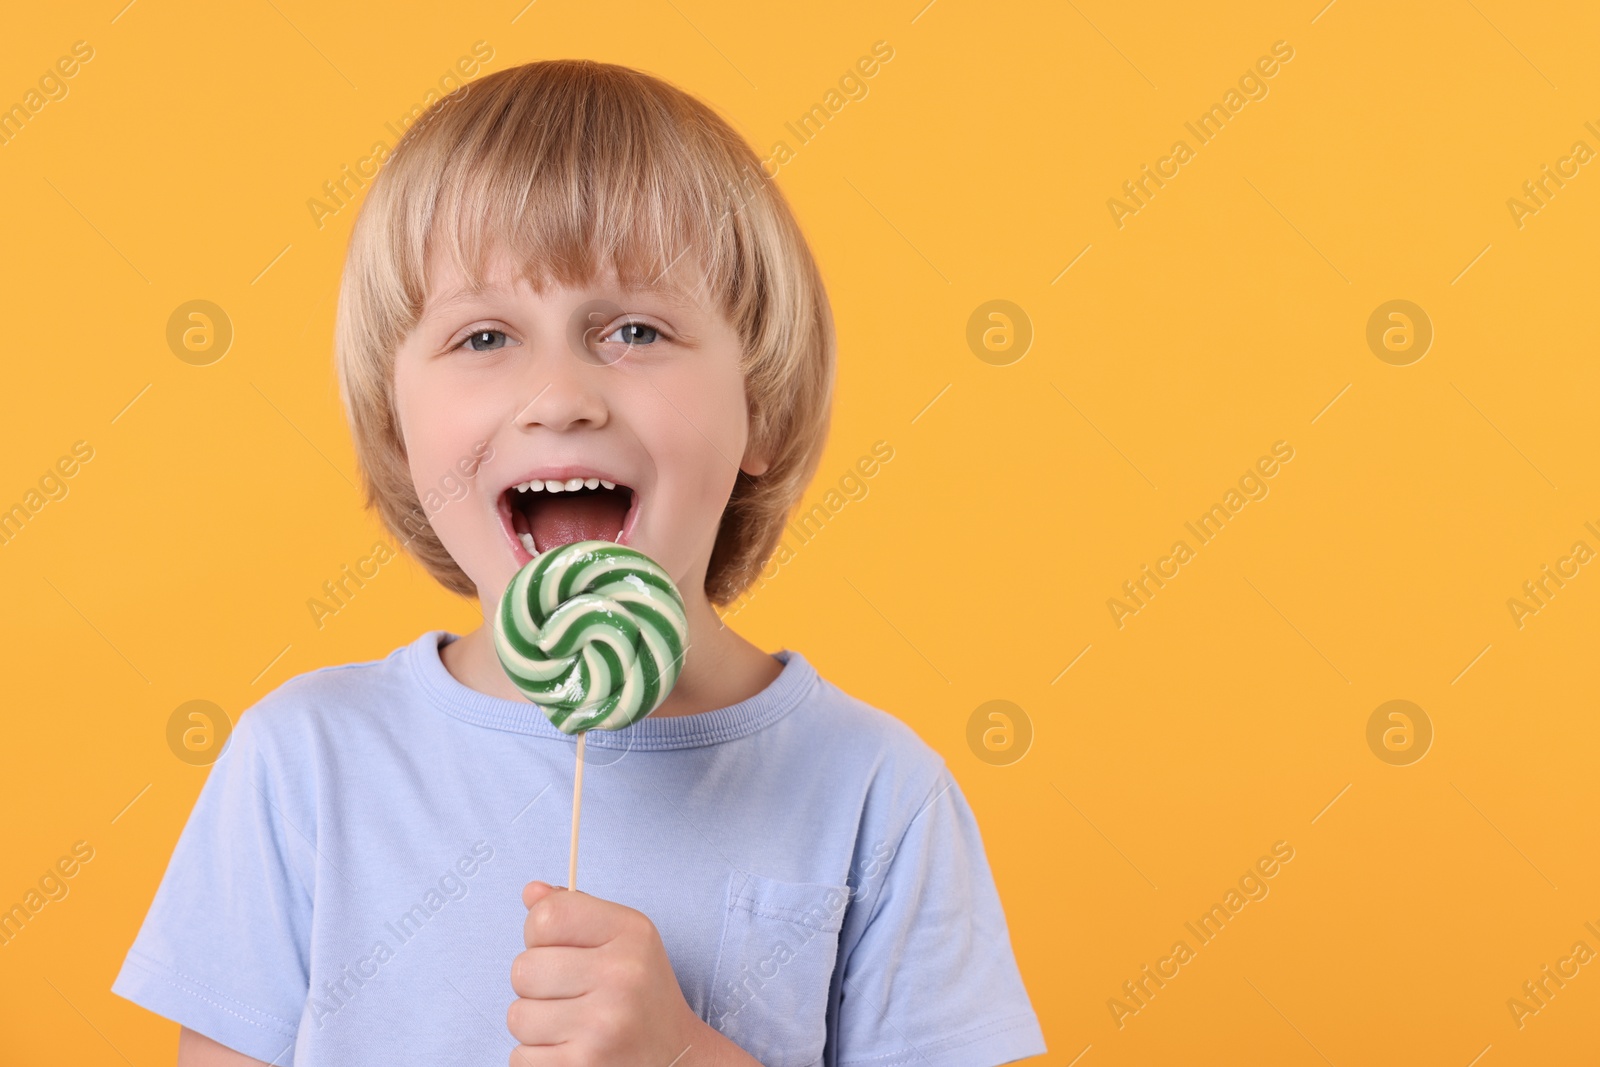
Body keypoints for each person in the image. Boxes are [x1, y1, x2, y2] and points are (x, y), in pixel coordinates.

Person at [112, 58, 1047, 1067]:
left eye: (635, 329)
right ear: (397, 424)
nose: (559, 394)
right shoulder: (303, 765)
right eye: (483, 335)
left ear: (762, 411)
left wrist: (688, 1054)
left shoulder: (875, 793)